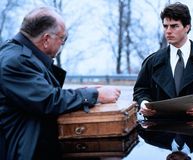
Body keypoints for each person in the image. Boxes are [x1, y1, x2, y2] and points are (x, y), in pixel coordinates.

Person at [0, 7, 121, 160]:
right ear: (46, 39)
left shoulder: (20, 54)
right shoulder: (16, 60)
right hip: (25, 150)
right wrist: (95, 95)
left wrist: (86, 91)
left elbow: (41, 92)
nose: (62, 45)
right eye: (62, 39)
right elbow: (47, 100)